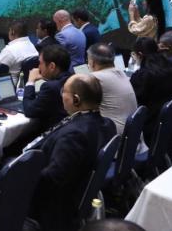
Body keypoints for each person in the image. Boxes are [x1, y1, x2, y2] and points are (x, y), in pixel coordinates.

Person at [27, 74, 116, 231]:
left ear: (76, 100)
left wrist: (21, 180)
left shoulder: (74, 136)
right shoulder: (108, 124)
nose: (61, 95)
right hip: (77, 187)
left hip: (55, 205)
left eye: (64, 91)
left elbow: (52, 179)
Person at [129, 37, 172, 146]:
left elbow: (133, 101)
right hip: (170, 122)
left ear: (139, 55)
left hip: (149, 126)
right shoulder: (169, 68)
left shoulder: (142, 76)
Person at [87, 43, 137, 135]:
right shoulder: (121, 73)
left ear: (92, 63)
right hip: (133, 134)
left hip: (115, 136)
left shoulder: (95, 77)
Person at [23, 45, 71, 132]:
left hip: (53, 133)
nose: (39, 67)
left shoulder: (50, 87)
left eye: (40, 63)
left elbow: (29, 110)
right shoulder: (73, 79)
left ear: (52, 66)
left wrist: (30, 81)